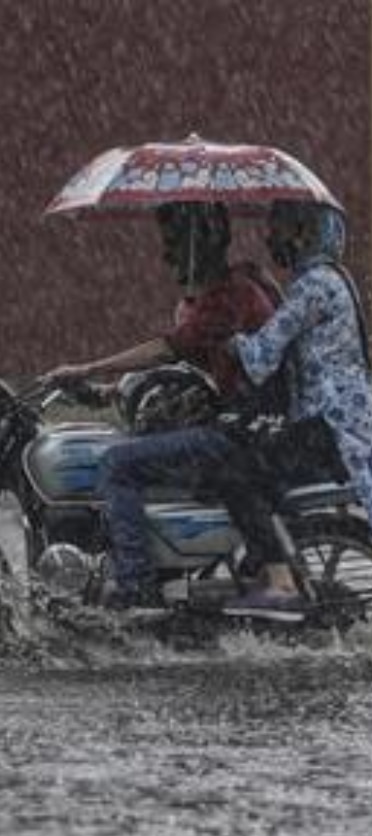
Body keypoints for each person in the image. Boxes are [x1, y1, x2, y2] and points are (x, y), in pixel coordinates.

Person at [45, 201, 279, 609]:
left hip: (238, 433)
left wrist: (87, 368)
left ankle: (136, 588)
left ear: (201, 240)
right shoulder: (224, 291)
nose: (167, 253)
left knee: (118, 463)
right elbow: (187, 369)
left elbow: (167, 350)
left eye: (175, 240)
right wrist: (107, 391)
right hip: (243, 425)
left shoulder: (230, 295)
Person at [219, 199, 372, 620]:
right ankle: (269, 557)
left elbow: (264, 353)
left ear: (305, 234)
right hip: (342, 426)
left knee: (234, 472)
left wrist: (229, 340)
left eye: (280, 230)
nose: (271, 239)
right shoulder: (335, 279)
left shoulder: (313, 286)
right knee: (260, 465)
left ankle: (280, 583)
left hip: (329, 429)